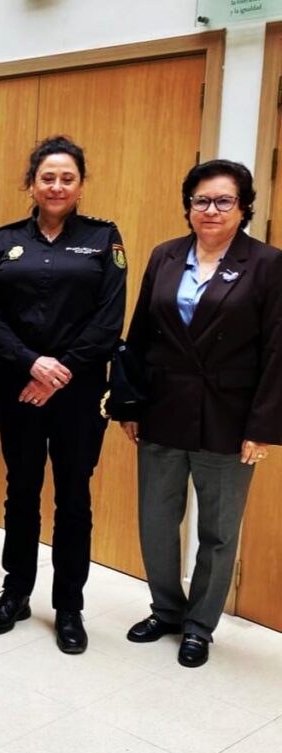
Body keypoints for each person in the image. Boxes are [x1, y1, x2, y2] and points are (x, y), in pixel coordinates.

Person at [119, 160, 282, 667]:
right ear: (188, 206)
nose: (211, 210)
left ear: (244, 207)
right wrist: (130, 404)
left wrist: (262, 426)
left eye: (223, 201)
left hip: (229, 418)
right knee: (156, 520)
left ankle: (199, 625)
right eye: (201, 200)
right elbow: (139, 335)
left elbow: (278, 351)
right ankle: (167, 610)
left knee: (218, 531)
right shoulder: (165, 255)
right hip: (163, 409)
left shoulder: (268, 264)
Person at [0, 135, 126, 654]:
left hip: (79, 393)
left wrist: (58, 372)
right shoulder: (5, 239)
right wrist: (31, 364)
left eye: (67, 178)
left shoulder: (104, 238)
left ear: (80, 185)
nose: (57, 186)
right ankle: (16, 591)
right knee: (20, 491)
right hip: (19, 388)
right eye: (47, 177)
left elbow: (109, 319)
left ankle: (69, 606)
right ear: (31, 183)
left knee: (73, 497)